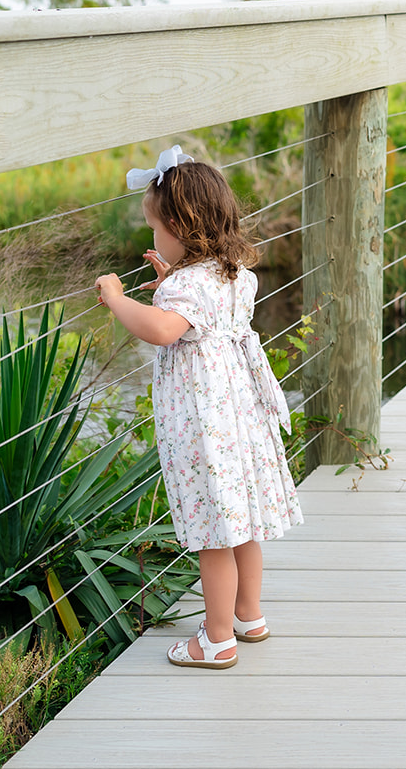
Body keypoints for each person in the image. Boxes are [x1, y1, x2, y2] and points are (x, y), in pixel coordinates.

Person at [96, 145, 302, 670]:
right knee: (243, 521)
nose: (152, 238)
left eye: (155, 228)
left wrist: (121, 298)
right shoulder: (232, 273)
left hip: (206, 424)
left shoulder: (187, 285)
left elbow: (164, 331)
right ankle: (248, 616)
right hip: (240, 416)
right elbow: (202, 311)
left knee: (214, 531)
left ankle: (215, 639)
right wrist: (168, 282)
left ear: (181, 225)